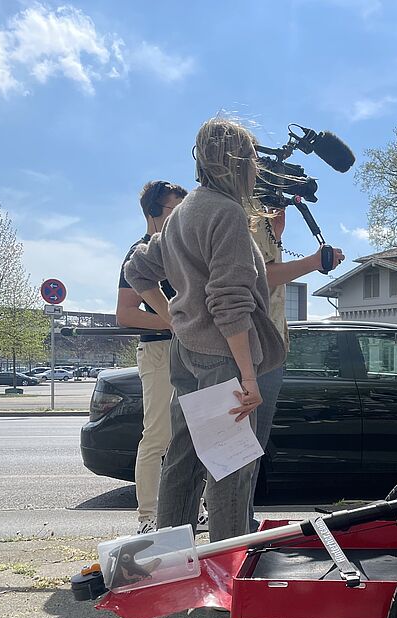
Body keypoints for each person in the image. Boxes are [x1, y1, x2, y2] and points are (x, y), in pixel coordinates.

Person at [123, 117, 286, 543]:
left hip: (188, 351)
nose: (257, 168)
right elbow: (229, 303)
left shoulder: (185, 210)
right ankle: (225, 573)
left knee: (184, 456)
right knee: (228, 466)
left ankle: (172, 558)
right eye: (253, 158)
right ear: (236, 162)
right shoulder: (227, 213)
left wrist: (173, 315)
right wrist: (249, 377)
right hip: (221, 355)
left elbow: (137, 268)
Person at [247, 209, 343, 514]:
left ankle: (237, 528)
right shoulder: (249, 215)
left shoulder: (269, 222)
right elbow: (259, 276)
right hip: (251, 353)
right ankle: (231, 535)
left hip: (268, 353)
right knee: (241, 455)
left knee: (250, 453)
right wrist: (314, 262)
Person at [116, 180, 187, 534]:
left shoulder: (183, 250)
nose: (182, 219)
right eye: (175, 211)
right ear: (153, 212)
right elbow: (126, 314)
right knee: (158, 436)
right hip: (160, 350)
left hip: (193, 350)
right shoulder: (140, 252)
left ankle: (191, 508)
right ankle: (148, 518)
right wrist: (175, 323)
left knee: (192, 435)